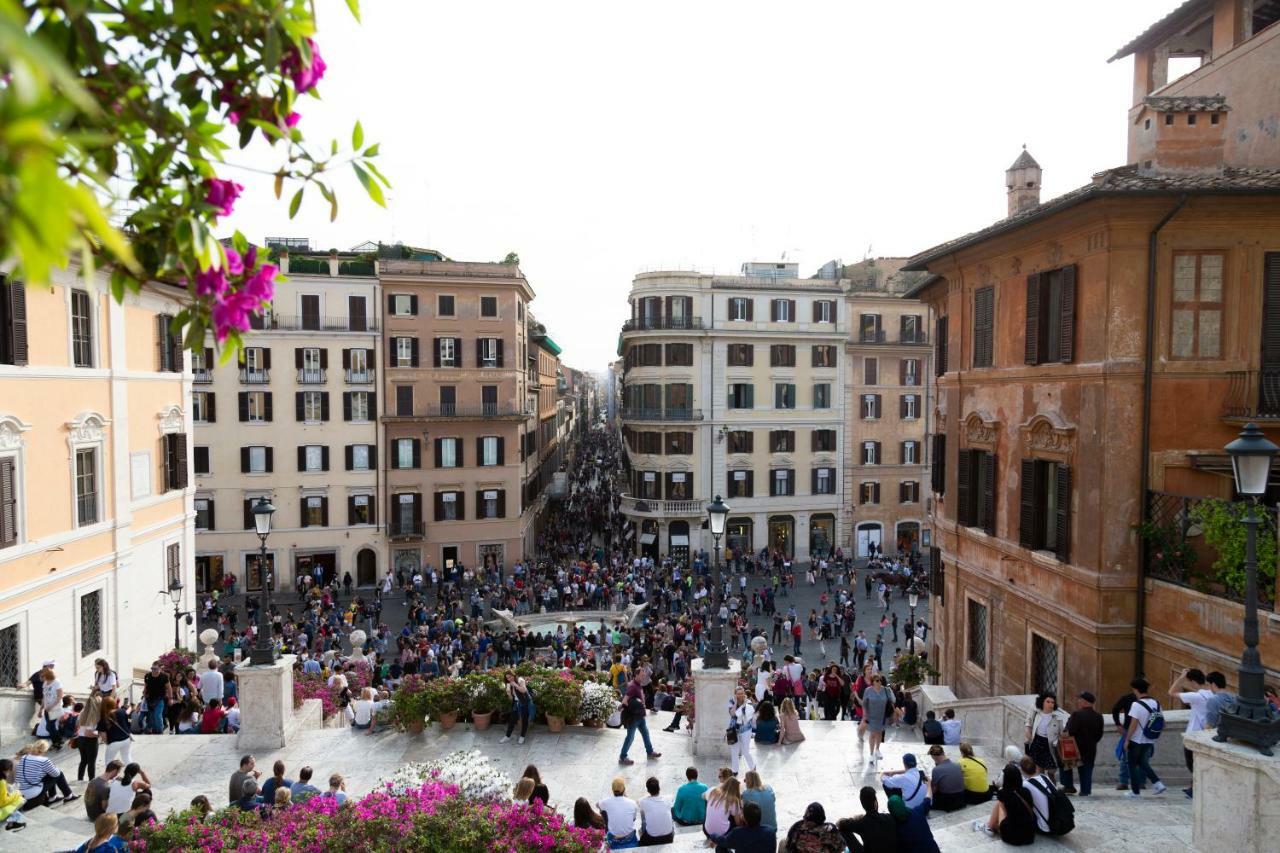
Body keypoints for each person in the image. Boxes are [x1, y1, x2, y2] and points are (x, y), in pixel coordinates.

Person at [1169, 668, 1212, 799]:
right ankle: (1192, 787)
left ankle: (1196, 789)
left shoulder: (1196, 697)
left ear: (1193, 681)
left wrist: (1181, 677)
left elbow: (1171, 692)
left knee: (1191, 763)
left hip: (1193, 734)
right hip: (1207, 733)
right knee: (1198, 762)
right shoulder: (1211, 694)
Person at [1123, 677, 1167, 798]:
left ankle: (1135, 792)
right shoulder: (1156, 703)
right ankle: (1158, 783)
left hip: (1136, 739)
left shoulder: (1136, 704)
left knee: (1132, 765)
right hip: (1150, 738)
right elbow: (1163, 723)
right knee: (1143, 762)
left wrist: (1127, 739)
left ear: (1135, 689)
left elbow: (1133, 724)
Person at [971, 765, 1036, 845]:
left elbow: (1005, 814)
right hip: (1029, 835)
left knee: (999, 804)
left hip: (1012, 837)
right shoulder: (1026, 791)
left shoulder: (1003, 793)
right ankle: (991, 826)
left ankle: (990, 827)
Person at [1061, 691, 1104, 796]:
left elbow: (1070, 731)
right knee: (1087, 770)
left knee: (1066, 766)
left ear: (1084, 702)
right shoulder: (1098, 716)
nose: (1078, 702)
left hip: (1075, 748)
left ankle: (1068, 786)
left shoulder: (1077, 715)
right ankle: (1085, 791)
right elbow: (1099, 733)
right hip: (1091, 747)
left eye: (1080, 700)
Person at [14, 741, 77, 809]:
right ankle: (69, 796)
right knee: (59, 773)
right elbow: (56, 774)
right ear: (44, 751)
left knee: (49, 774)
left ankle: (53, 797)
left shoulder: (24, 757)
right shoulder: (44, 760)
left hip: (21, 791)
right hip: (33, 791)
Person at [836, 786, 897, 853]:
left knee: (843, 829)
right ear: (875, 803)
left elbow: (839, 823)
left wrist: (854, 819)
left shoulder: (860, 823)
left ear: (862, 805)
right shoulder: (889, 818)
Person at [618, 672, 661, 766]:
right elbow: (625, 700)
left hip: (640, 716)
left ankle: (650, 752)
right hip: (633, 717)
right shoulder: (632, 686)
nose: (643, 677)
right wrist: (622, 707)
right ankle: (623, 757)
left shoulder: (638, 685)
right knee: (630, 737)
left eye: (644, 675)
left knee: (645, 733)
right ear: (636, 675)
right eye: (641, 675)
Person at [1023, 691, 1065, 782]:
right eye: (1048, 701)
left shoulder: (1057, 717)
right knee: (1039, 770)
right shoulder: (1036, 713)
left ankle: (1052, 787)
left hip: (1050, 745)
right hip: (1037, 742)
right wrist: (1029, 737)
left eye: (1052, 702)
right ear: (1042, 702)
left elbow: (1061, 733)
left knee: (1051, 770)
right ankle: (1043, 787)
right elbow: (1028, 723)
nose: (1050, 704)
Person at [711, 801, 776, 853]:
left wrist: (713, 836)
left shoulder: (738, 832)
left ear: (744, 818)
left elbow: (723, 841)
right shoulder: (771, 832)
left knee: (719, 848)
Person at [858, 674, 894, 765]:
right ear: (873, 681)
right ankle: (871, 754)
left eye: (880, 680)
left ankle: (877, 749)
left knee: (880, 732)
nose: (879, 682)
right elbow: (864, 703)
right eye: (877, 680)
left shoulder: (886, 690)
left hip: (882, 716)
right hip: (871, 716)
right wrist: (864, 714)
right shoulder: (868, 690)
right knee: (873, 734)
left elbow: (891, 701)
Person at [597, 776, 638, 848]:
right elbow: (633, 819)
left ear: (612, 790)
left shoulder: (606, 802)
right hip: (630, 838)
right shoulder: (632, 803)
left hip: (613, 839)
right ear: (624, 789)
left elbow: (597, 804)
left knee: (603, 811)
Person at [703, 776, 744, 842]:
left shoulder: (713, 791)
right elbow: (738, 822)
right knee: (733, 816)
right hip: (724, 833)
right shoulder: (733, 800)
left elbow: (703, 796)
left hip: (707, 831)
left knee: (710, 805)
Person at [926, 746, 966, 812]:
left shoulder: (936, 770)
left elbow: (934, 790)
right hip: (961, 799)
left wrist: (929, 784)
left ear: (933, 757)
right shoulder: (958, 765)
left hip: (948, 802)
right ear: (943, 753)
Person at [637, 776, 674, 846]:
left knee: (643, 815)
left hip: (652, 838)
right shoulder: (667, 799)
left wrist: (646, 796)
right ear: (659, 788)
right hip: (669, 837)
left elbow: (638, 801)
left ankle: (641, 835)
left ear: (648, 791)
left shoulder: (644, 801)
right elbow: (671, 796)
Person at [727, 686, 757, 775]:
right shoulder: (731, 701)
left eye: (742, 693)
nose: (740, 695)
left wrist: (743, 706)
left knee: (745, 751)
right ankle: (734, 771)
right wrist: (736, 703)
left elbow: (747, 716)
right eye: (738, 694)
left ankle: (752, 767)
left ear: (744, 693)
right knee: (734, 750)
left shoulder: (749, 702)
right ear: (735, 694)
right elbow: (732, 713)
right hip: (734, 729)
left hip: (746, 729)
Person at [499, 669, 533, 745]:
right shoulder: (509, 684)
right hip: (517, 703)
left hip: (525, 703)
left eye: (510, 677)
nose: (509, 679)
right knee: (512, 720)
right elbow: (512, 699)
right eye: (507, 678)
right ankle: (507, 736)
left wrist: (515, 685)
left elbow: (524, 690)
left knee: (524, 719)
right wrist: (509, 694)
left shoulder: (520, 680)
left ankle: (522, 736)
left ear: (513, 675)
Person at [98, 697, 133, 767]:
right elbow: (128, 723)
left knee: (109, 762)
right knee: (127, 758)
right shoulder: (122, 711)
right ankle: (132, 774)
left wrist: (107, 742)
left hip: (113, 742)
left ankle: (111, 777)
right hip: (126, 739)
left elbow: (103, 733)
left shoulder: (103, 717)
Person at [76, 694, 103, 782]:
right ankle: (92, 781)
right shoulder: (93, 715)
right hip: (90, 741)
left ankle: (80, 779)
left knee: (83, 761)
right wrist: (99, 734)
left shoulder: (83, 712)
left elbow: (78, 726)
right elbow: (89, 733)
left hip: (80, 739)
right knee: (91, 762)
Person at [39, 665, 65, 749]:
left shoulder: (56, 682)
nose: (41, 678)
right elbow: (44, 697)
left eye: (42, 675)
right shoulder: (45, 684)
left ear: (47, 675)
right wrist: (41, 709)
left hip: (55, 707)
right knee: (49, 727)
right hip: (47, 708)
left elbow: (60, 696)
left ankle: (57, 742)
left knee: (51, 726)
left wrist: (51, 706)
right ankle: (58, 740)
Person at [141, 661, 169, 735]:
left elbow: (169, 688)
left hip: (160, 698)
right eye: (152, 668)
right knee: (152, 716)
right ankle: (154, 731)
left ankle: (160, 731)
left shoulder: (164, 676)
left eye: (155, 669)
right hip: (149, 699)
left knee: (157, 715)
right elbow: (146, 686)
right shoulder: (147, 676)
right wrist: (144, 693)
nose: (153, 670)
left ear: (160, 668)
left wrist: (171, 698)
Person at [0, 759, 26, 833]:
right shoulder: (1, 782)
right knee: (20, 799)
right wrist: (16, 794)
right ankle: (11, 824)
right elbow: (2, 802)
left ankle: (11, 823)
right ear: (6, 771)